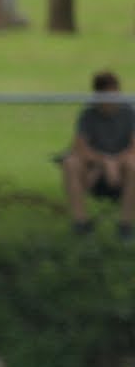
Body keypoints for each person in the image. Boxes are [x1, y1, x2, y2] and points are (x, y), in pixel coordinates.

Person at [62, 71, 135, 241]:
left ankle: (125, 225)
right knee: (70, 163)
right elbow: (79, 146)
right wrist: (104, 162)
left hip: (122, 169)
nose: (110, 102)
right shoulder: (88, 114)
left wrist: (115, 162)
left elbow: (134, 147)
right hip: (94, 169)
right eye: (106, 97)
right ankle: (81, 224)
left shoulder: (129, 112)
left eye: (114, 96)